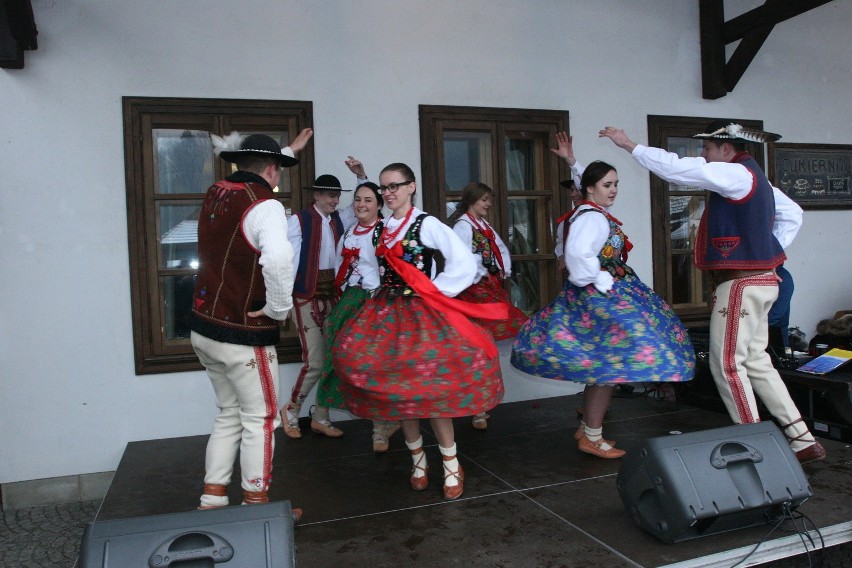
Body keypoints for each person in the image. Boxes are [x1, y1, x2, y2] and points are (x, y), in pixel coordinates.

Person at [600, 121, 825, 464]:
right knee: (756, 361)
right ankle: (800, 437)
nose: (703, 155)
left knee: (727, 364)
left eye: (707, 148)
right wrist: (766, 253)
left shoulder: (736, 174)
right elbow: (793, 213)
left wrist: (629, 144)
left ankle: (756, 442)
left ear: (725, 148)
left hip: (742, 282)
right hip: (762, 280)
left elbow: (678, 168)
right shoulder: (756, 180)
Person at [332, 163, 506, 500]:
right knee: (400, 392)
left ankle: (452, 463)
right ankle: (417, 460)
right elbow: (371, 268)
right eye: (384, 188)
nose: (388, 193)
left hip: (423, 315)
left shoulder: (427, 224)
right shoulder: (380, 230)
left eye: (395, 186)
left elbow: (464, 263)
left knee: (432, 392)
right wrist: (369, 294)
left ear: (411, 187)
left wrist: (436, 291)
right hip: (386, 313)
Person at [511, 160, 695, 459]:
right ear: (590, 188)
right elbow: (577, 256)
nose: (614, 190)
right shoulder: (591, 217)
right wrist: (600, 278)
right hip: (600, 295)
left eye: (616, 184)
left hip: (603, 292)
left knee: (604, 366)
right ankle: (591, 435)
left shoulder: (592, 214)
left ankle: (589, 430)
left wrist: (573, 161)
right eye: (607, 185)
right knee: (610, 364)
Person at [191, 129, 310, 509]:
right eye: (280, 169)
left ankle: (212, 499)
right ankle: (256, 505)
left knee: (229, 413)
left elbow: (256, 172)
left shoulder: (218, 191)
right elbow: (277, 259)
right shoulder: (266, 205)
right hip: (240, 333)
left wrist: (287, 150)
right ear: (274, 170)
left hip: (204, 327)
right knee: (260, 420)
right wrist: (277, 309)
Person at [315, 179, 401, 452]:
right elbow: (342, 265)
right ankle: (321, 414)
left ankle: (380, 428)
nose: (361, 205)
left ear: (378, 205)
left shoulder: (385, 231)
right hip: (352, 299)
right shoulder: (350, 231)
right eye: (358, 200)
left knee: (373, 363)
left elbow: (394, 269)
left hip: (377, 301)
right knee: (336, 353)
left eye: (368, 200)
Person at [448, 182, 528, 430]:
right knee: (479, 349)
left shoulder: (481, 226)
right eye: (484, 199)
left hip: (487, 290)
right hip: (473, 294)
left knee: (484, 349)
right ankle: (477, 408)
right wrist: (482, 272)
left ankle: (480, 406)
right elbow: (461, 260)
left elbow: (499, 251)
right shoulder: (463, 226)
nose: (488, 204)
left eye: (489, 199)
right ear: (472, 200)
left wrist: (499, 271)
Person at [282, 174, 355, 439]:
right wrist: (284, 299)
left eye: (337, 195)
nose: (335, 200)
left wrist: (360, 176)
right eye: (329, 195)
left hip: (332, 297)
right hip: (305, 297)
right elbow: (288, 263)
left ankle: (321, 416)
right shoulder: (298, 221)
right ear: (316, 196)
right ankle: (290, 410)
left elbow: (361, 205)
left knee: (334, 358)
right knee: (314, 361)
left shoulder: (339, 219)